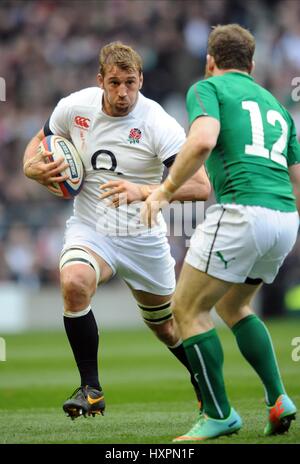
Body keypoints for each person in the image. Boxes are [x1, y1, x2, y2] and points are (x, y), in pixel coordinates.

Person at [23, 42, 211, 419]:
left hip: (142, 235)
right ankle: (91, 389)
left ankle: (202, 380)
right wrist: (32, 168)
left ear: (141, 79)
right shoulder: (74, 108)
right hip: (92, 227)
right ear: (100, 81)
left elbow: (201, 186)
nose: (123, 92)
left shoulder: (157, 122)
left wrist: (144, 191)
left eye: (130, 82)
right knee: (74, 282)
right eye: (114, 83)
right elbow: (37, 147)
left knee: (167, 328)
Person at [142, 24, 300, 441]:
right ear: (252, 64)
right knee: (233, 307)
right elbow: (298, 177)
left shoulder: (207, 88)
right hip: (284, 218)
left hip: (241, 211)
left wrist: (164, 191)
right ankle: (278, 398)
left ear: (210, 61)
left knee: (186, 309)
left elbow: (202, 141)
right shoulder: (277, 105)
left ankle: (218, 413)